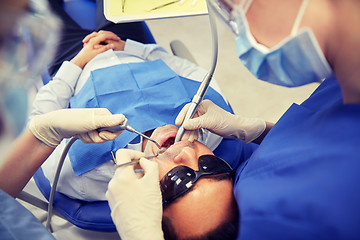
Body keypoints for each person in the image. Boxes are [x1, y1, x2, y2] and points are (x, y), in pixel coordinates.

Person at [106, 0, 360, 239]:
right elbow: (323, 144)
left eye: (234, 9)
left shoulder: (302, 221)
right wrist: (259, 132)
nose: (238, 27)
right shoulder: (348, 82)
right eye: (210, 166)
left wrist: (141, 234)